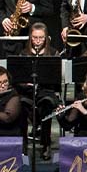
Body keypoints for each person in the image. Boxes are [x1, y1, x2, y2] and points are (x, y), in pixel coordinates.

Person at [18, 23, 59, 155]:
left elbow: (56, 79)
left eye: (41, 38)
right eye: (35, 38)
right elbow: (18, 79)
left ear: (46, 38)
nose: (37, 41)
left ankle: (46, 143)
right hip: (28, 92)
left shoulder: (53, 53)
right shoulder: (24, 54)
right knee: (21, 104)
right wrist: (26, 84)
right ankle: (23, 143)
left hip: (46, 90)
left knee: (47, 103)